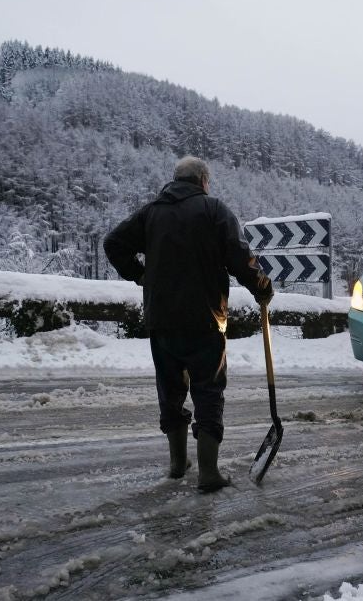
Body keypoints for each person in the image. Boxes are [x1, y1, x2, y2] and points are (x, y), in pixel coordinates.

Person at [104, 156, 273, 492]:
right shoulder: (213, 210)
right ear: (202, 180)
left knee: (170, 389)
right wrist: (262, 288)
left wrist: (139, 275)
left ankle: (178, 464)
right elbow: (240, 257)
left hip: (161, 321)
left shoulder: (151, 213)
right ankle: (208, 472)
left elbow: (113, 243)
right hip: (205, 320)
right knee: (208, 390)